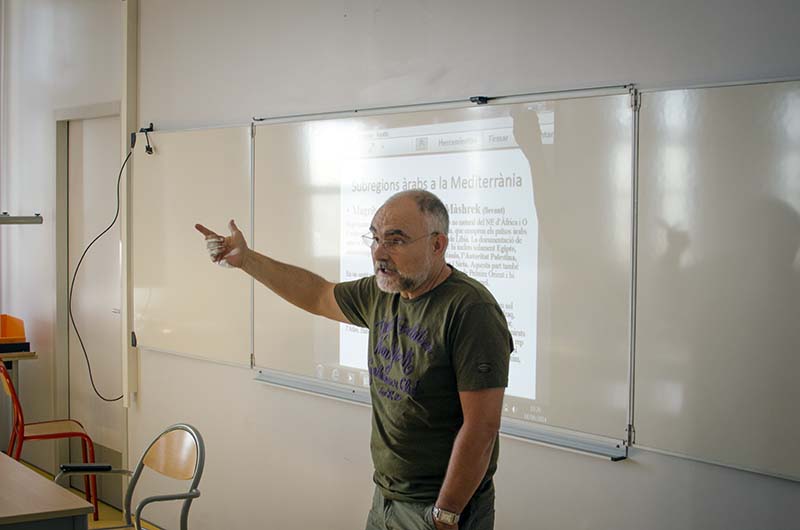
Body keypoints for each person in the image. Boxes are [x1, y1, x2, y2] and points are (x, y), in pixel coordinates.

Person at [195, 190, 512, 530]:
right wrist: (248, 260)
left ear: (438, 245)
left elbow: (482, 427)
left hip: (442, 509)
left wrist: (446, 513)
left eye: (396, 240)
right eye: (375, 238)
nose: (379, 252)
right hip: (387, 498)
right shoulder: (382, 293)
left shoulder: (471, 310)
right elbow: (318, 294)